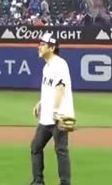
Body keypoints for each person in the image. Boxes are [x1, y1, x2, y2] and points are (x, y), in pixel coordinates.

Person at [30, 33, 75, 185]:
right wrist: (41, 103)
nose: (39, 46)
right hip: (47, 117)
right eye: (40, 43)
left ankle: (64, 183)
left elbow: (60, 88)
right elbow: (49, 89)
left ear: (52, 47)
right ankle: (38, 181)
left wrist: (56, 111)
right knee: (36, 146)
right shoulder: (46, 66)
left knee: (61, 150)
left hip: (59, 116)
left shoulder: (60, 64)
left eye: (43, 44)